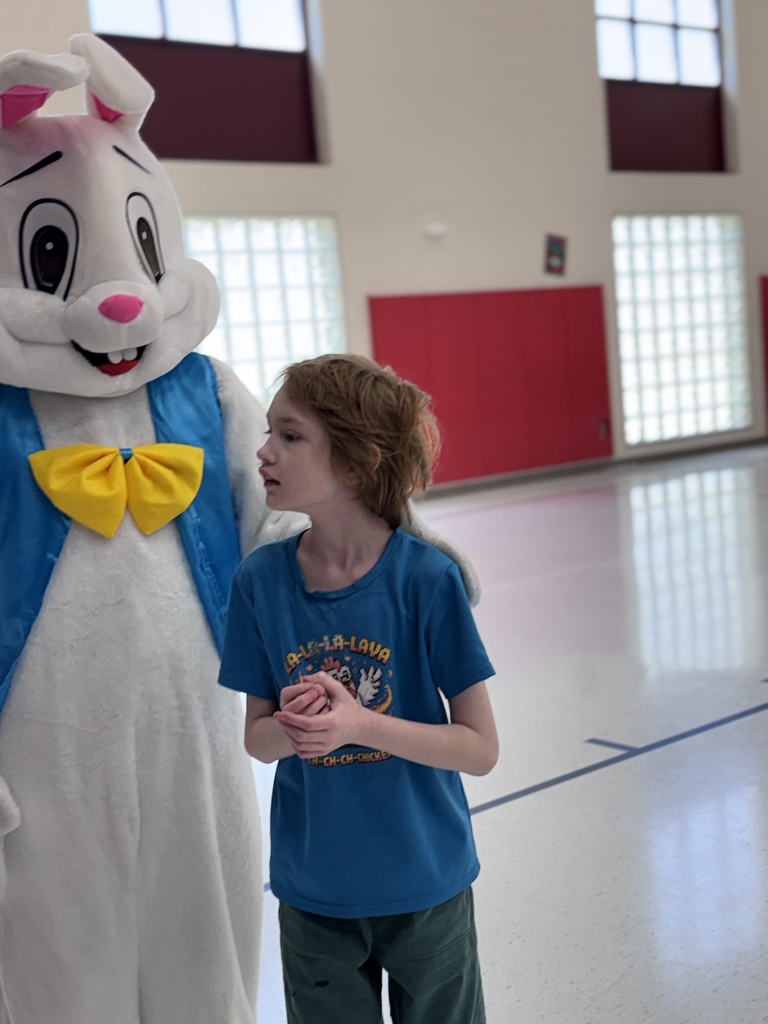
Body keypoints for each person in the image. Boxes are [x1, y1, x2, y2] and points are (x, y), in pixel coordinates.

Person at [218, 353, 498, 1024]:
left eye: (290, 435)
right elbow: (257, 742)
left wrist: (360, 725)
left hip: (426, 885)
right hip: (315, 894)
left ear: (357, 459)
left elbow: (479, 748)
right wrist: (298, 727)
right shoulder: (258, 582)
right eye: (268, 431)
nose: (263, 451)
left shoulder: (427, 581)